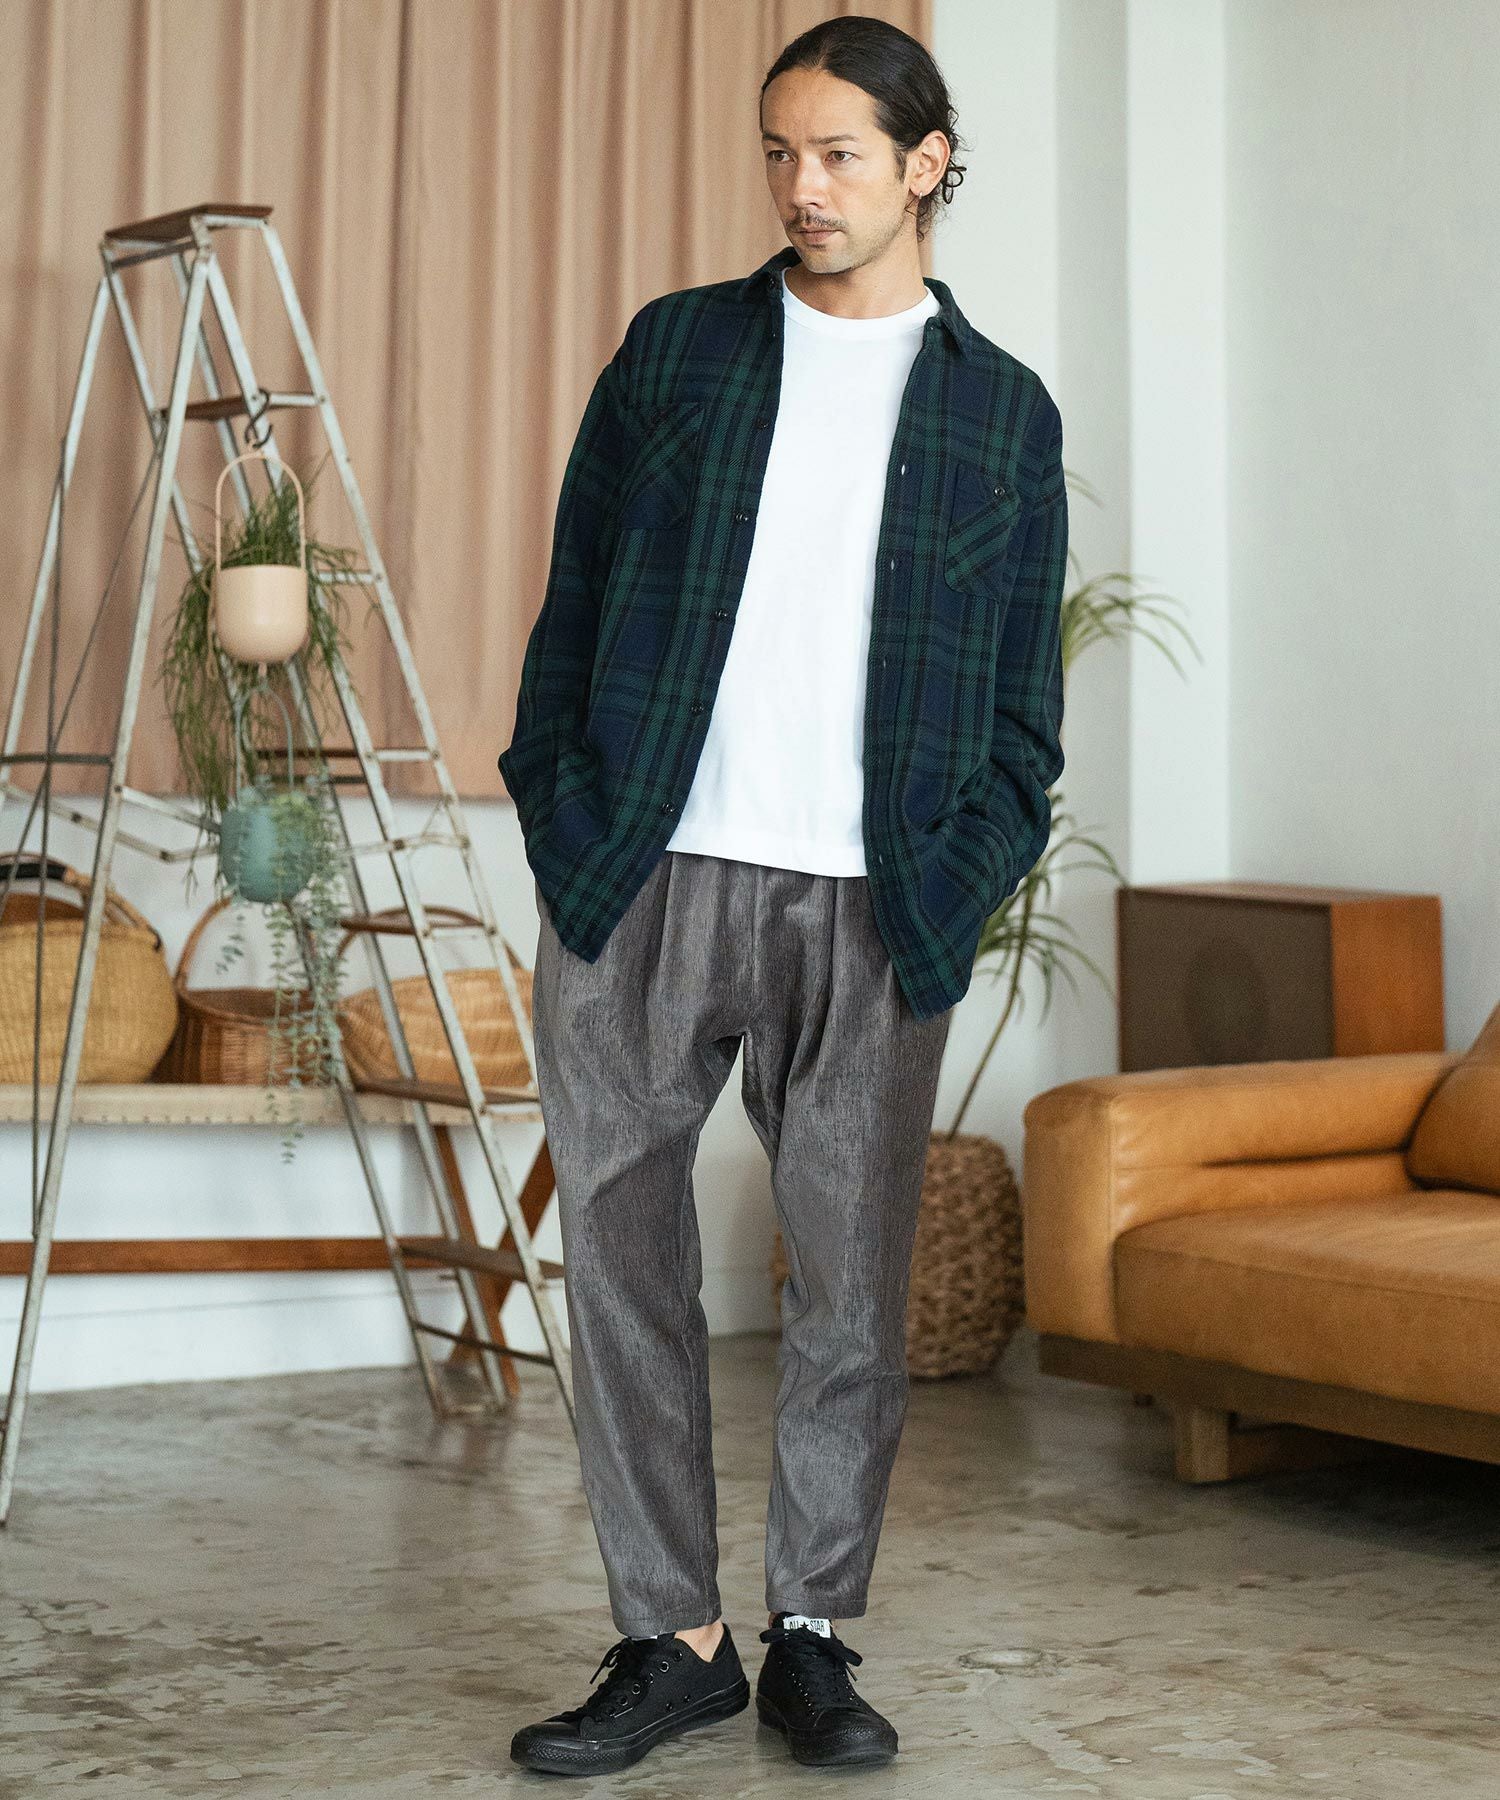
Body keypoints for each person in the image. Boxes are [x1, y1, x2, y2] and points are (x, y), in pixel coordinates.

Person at [500, 14, 1067, 1779]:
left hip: (873, 905)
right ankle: (672, 1640)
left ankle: (812, 1632)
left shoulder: (1001, 412)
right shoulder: (678, 352)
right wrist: (565, 824)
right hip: (645, 873)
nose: (801, 188)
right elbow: (572, 605)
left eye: (837, 154)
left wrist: (950, 885)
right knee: (623, 1262)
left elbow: (1023, 724)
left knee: (846, 1289)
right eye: (780, 153)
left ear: (926, 164)